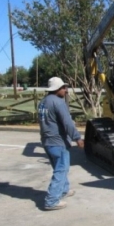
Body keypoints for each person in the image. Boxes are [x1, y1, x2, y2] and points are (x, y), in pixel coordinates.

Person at [38, 77, 84, 211]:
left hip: (47, 141)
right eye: (64, 88)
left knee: (60, 168)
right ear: (57, 89)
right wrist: (78, 138)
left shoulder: (43, 102)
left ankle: (63, 190)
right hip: (58, 142)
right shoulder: (58, 103)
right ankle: (52, 200)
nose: (66, 90)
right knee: (61, 170)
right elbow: (68, 123)